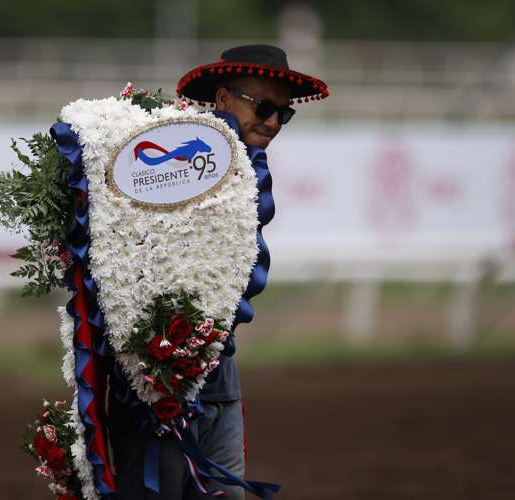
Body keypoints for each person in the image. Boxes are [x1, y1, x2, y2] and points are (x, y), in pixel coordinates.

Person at [108, 44, 328, 500]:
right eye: (263, 107)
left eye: (282, 115)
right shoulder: (172, 161)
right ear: (224, 98)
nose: (271, 122)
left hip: (219, 374)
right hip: (154, 382)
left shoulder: (249, 167)